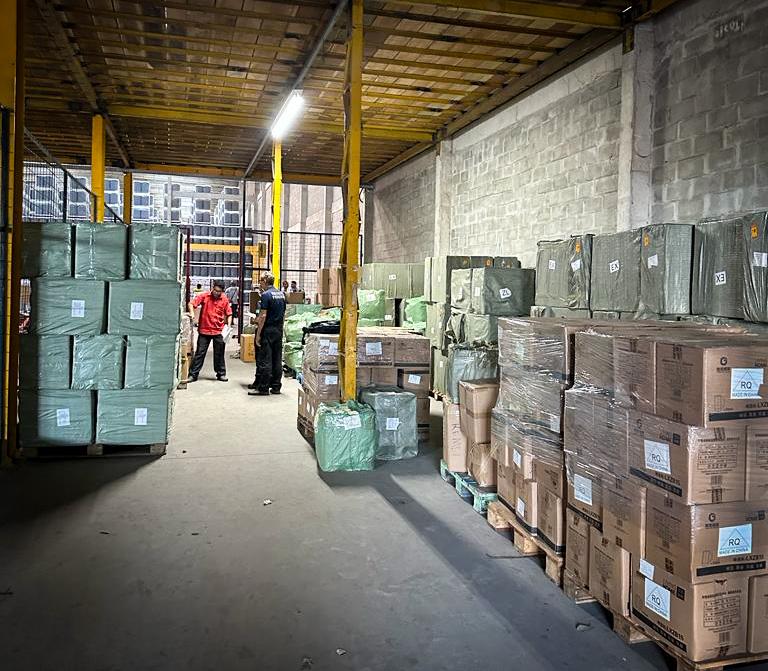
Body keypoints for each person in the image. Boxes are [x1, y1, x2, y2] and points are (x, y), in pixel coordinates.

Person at [249, 272, 286, 396]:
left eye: (260, 281)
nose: (260, 284)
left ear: (265, 281)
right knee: (277, 359)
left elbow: (263, 316)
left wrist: (258, 334)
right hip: (278, 330)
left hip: (268, 330)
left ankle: (263, 388)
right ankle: (276, 386)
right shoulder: (281, 294)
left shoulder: (266, 295)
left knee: (266, 359)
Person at [188, 279, 232, 382]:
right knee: (200, 353)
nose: (216, 293)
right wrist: (192, 313)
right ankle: (193, 374)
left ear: (222, 291)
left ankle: (221, 374)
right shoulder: (204, 296)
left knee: (219, 354)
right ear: (213, 288)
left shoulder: (224, 300)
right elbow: (191, 304)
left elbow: (229, 314)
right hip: (204, 330)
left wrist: (228, 326)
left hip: (218, 331)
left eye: (219, 291)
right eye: (215, 290)